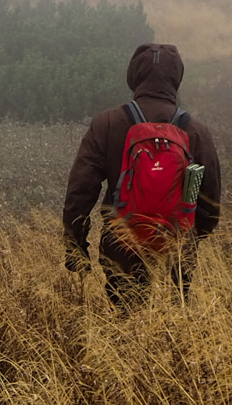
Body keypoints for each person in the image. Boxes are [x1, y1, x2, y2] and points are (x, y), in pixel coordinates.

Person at [63, 42, 223, 303]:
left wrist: (76, 247)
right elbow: (211, 201)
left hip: (122, 245)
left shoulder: (108, 123)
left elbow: (80, 191)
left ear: (134, 75)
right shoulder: (196, 131)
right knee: (177, 331)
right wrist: (190, 238)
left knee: (124, 327)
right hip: (177, 248)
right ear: (177, 78)